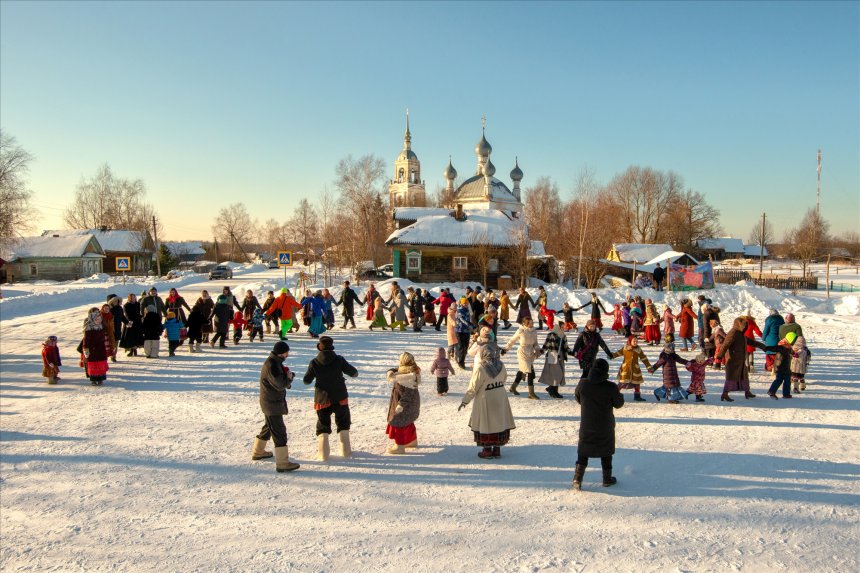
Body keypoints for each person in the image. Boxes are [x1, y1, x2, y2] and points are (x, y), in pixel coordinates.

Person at [303, 336, 359, 461]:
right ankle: (345, 451)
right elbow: (354, 373)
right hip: (340, 396)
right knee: (343, 422)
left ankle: (323, 454)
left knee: (323, 424)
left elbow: (306, 381)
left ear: (320, 348)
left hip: (322, 398)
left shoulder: (314, 362)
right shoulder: (339, 359)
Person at [573, 358, 623, 490]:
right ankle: (607, 479)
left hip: (587, 423)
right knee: (606, 451)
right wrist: (619, 394)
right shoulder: (610, 387)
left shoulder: (583, 384)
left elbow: (578, 398)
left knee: (583, 451)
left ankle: (577, 478)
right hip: (605, 425)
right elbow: (619, 403)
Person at [459, 343, 515, 460]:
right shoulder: (501, 365)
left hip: (486, 398)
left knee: (486, 422)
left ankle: (487, 450)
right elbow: (504, 378)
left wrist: (465, 401)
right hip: (500, 396)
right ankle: (497, 449)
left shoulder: (481, 368)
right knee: (499, 421)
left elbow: (473, 387)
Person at [252, 341, 300, 472]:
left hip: (270, 401)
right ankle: (283, 463)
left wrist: (287, 376)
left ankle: (258, 451)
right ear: (281, 353)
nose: (287, 355)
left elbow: (278, 381)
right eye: (286, 352)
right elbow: (279, 385)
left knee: (269, 427)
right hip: (272, 403)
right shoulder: (272, 365)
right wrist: (289, 378)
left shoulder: (275, 362)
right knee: (279, 432)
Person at [385, 352, 421, 454]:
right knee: (408, 421)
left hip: (405, 405)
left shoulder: (408, 378)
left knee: (399, 423)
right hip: (411, 404)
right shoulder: (410, 371)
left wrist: (400, 405)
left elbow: (408, 394)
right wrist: (390, 372)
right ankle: (412, 441)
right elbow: (396, 369)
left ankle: (399, 446)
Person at [715, 317, 756, 402]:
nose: (744, 327)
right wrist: (719, 356)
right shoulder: (733, 333)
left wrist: (763, 346)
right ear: (738, 324)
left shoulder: (741, 334)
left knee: (744, 376)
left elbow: (750, 341)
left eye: (745, 325)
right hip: (733, 360)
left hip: (741, 359)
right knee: (731, 378)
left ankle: (747, 391)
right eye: (743, 325)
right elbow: (725, 345)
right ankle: (725, 394)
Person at [501, 316, 542, 399]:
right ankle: (531, 393)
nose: (531, 324)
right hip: (522, 352)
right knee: (530, 371)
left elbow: (535, 343)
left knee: (522, 370)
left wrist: (537, 350)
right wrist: (505, 349)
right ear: (524, 323)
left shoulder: (534, 331)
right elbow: (512, 340)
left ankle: (513, 387)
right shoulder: (521, 331)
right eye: (529, 323)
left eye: (532, 323)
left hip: (530, 353)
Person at [610, 335, 652, 402]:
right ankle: (613, 396)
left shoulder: (638, 349)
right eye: (634, 341)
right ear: (630, 341)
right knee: (622, 383)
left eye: (636, 341)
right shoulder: (625, 348)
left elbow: (644, 358)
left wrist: (648, 366)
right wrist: (611, 355)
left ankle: (637, 397)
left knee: (637, 383)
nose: (635, 342)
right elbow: (618, 353)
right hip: (626, 369)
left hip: (635, 369)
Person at [648, 335, 690, 403]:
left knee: (673, 385)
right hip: (667, 373)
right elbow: (658, 363)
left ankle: (658, 393)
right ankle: (671, 399)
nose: (673, 349)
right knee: (670, 386)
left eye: (673, 347)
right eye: (671, 347)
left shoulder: (673, 354)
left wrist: (688, 362)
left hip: (673, 372)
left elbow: (680, 360)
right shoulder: (664, 355)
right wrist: (652, 369)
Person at [538, 321, 571, 399]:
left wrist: (573, 353)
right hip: (552, 356)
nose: (563, 328)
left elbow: (566, 347)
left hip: (561, 357)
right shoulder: (551, 335)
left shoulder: (563, 335)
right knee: (556, 374)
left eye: (563, 327)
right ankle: (554, 391)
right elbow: (546, 345)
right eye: (562, 327)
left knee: (559, 374)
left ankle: (551, 388)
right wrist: (539, 353)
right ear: (558, 327)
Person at [82, 308, 110, 384]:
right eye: (97, 319)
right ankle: (94, 379)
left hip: (101, 349)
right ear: (93, 319)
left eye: (100, 319)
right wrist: (86, 349)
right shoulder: (89, 328)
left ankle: (100, 379)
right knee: (93, 364)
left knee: (101, 363)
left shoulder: (101, 326)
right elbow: (86, 340)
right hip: (92, 349)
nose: (99, 320)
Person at [761, 308, 784, 372]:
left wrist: (763, 338)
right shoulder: (781, 319)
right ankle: (776, 367)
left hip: (770, 341)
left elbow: (766, 331)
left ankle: (771, 368)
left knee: (770, 355)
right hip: (779, 340)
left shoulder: (769, 320)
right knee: (777, 355)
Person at [454, 298, 475, 369]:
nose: (466, 304)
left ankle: (462, 359)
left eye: (467, 303)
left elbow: (469, 320)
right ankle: (460, 362)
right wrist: (472, 326)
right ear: (461, 303)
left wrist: (472, 326)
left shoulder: (467, 310)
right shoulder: (459, 310)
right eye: (464, 303)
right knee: (461, 347)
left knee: (466, 347)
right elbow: (463, 320)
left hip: (466, 331)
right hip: (459, 331)